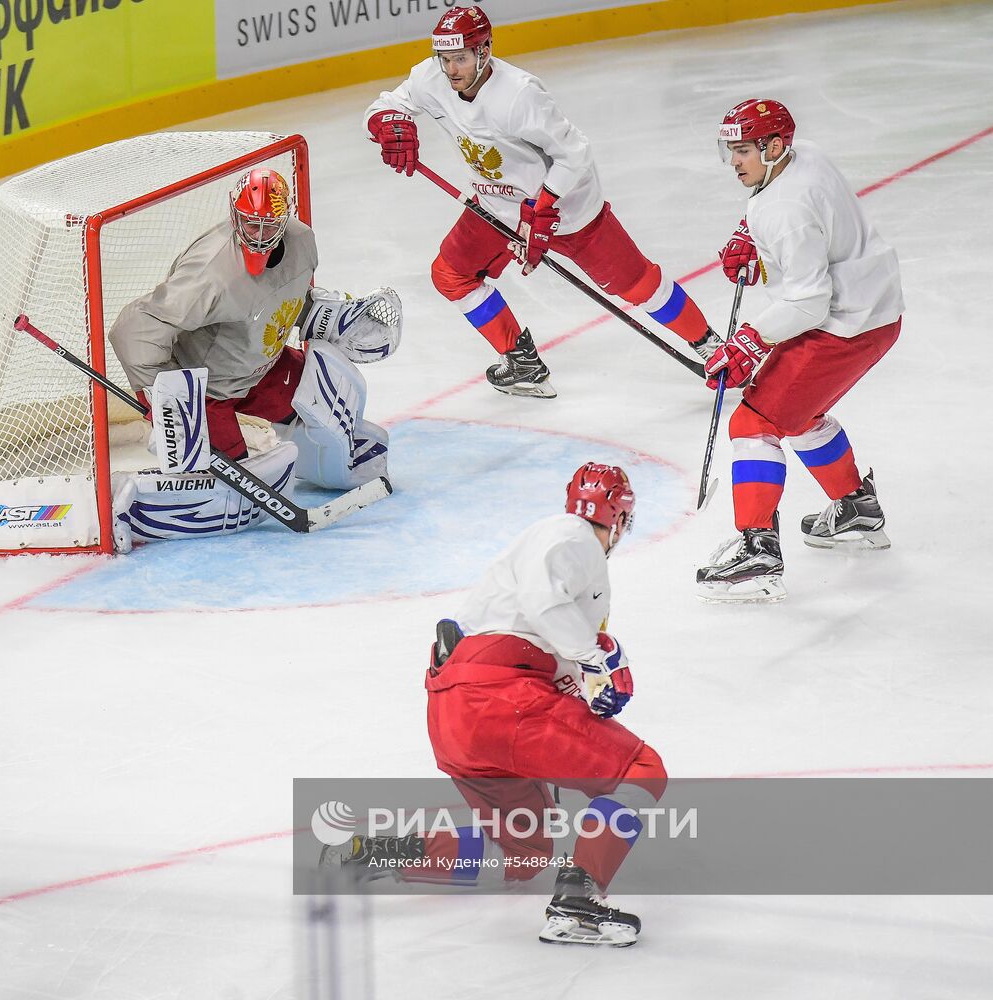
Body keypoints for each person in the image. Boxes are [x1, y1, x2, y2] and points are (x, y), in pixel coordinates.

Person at [324, 464, 664, 947]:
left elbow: (543, 631)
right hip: (502, 697)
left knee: (525, 852)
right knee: (641, 769)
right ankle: (578, 901)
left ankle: (383, 853)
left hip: (456, 712)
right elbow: (545, 606)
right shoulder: (573, 537)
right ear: (621, 517)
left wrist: (587, 682)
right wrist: (597, 656)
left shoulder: (547, 552)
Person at [363, 5, 718, 398]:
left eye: (460, 58)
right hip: (498, 207)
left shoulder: (519, 95)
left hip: (567, 211)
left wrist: (546, 203)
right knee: (451, 273)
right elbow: (384, 105)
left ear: (484, 51)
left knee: (635, 284)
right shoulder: (429, 79)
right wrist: (388, 125)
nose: (451, 69)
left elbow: (575, 154)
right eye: (444, 58)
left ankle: (711, 345)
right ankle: (522, 362)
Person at [107, 166, 403, 550]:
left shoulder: (302, 241)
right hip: (209, 389)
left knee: (331, 399)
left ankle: (323, 464)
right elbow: (133, 329)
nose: (259, 235)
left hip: (262, 365)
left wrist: (320, 314)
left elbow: (284, 296)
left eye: (268, 224)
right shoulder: (211, 275)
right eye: (250, 223)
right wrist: (164, 396)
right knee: (230, 490)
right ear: (235, 215)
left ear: (285, 218)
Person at [696, 99, 903, 603]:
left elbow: (810, 302)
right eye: (732, 150)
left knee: (753, 423)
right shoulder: (801, 155)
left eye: (743, 150)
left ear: (773, 146)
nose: (734, 162)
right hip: (873, 310)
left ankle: (758, 554)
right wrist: (750, 235)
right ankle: (856, 510)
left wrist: (749, 339)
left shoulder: (786, 208)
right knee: (798, 412)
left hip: (842, 325)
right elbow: (792, 221)